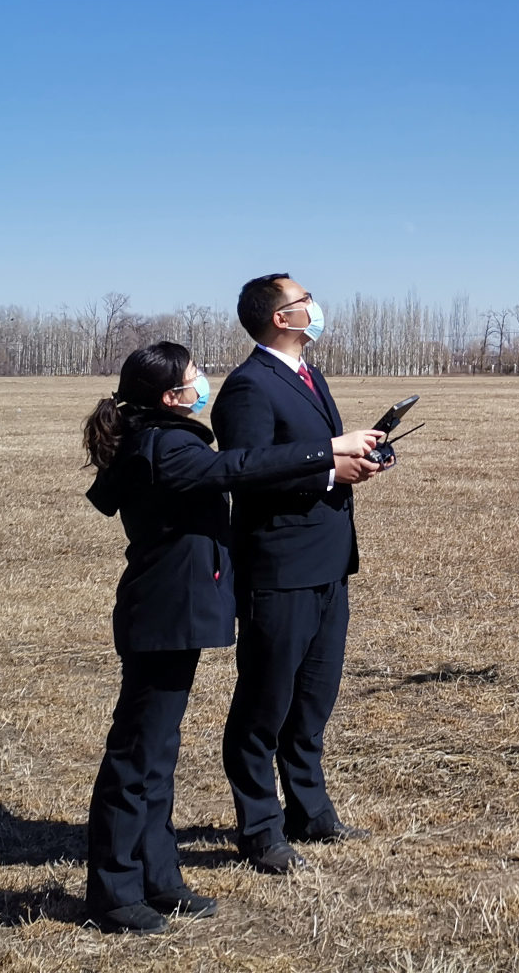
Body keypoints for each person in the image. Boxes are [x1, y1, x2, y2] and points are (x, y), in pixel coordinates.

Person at [81, 340, 385, 935]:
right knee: (136, 756)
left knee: (159, 755)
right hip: (162, 614)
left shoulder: (157, 437)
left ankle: (160, 878)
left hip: (177, 611)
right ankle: (114, 893)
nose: (204, 384)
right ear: (171, 398)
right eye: (195, 377)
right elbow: (239, 466)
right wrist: (329, 449)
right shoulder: (162, 446)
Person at [216, 274, 385, 873]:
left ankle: (310, 813)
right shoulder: (247, 387)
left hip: (328, 563)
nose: (315, 305)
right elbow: (244, 469)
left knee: (313, 700)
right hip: (279, 568)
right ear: (281, 319)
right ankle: (261, 829)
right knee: (264, 706)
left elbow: (312, 451)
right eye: (304, 299)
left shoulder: (309, 377)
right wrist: (325, 471)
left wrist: (355, 458)